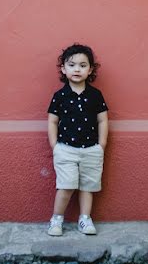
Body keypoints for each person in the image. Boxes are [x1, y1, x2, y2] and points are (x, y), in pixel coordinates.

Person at [46, 43, 109, 236]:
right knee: (66, 186)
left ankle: (85, 219)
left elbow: (102, 120)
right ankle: (56, 220)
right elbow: (52, 122)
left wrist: (101, 145)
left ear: (90, 69)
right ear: (64, 69)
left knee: (87, 187)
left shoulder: (95, 95)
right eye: (72, 65)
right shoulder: (60, 96)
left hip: (91, 149)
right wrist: (55, 146)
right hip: (65, 149)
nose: (77, 69)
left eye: (82, 65)